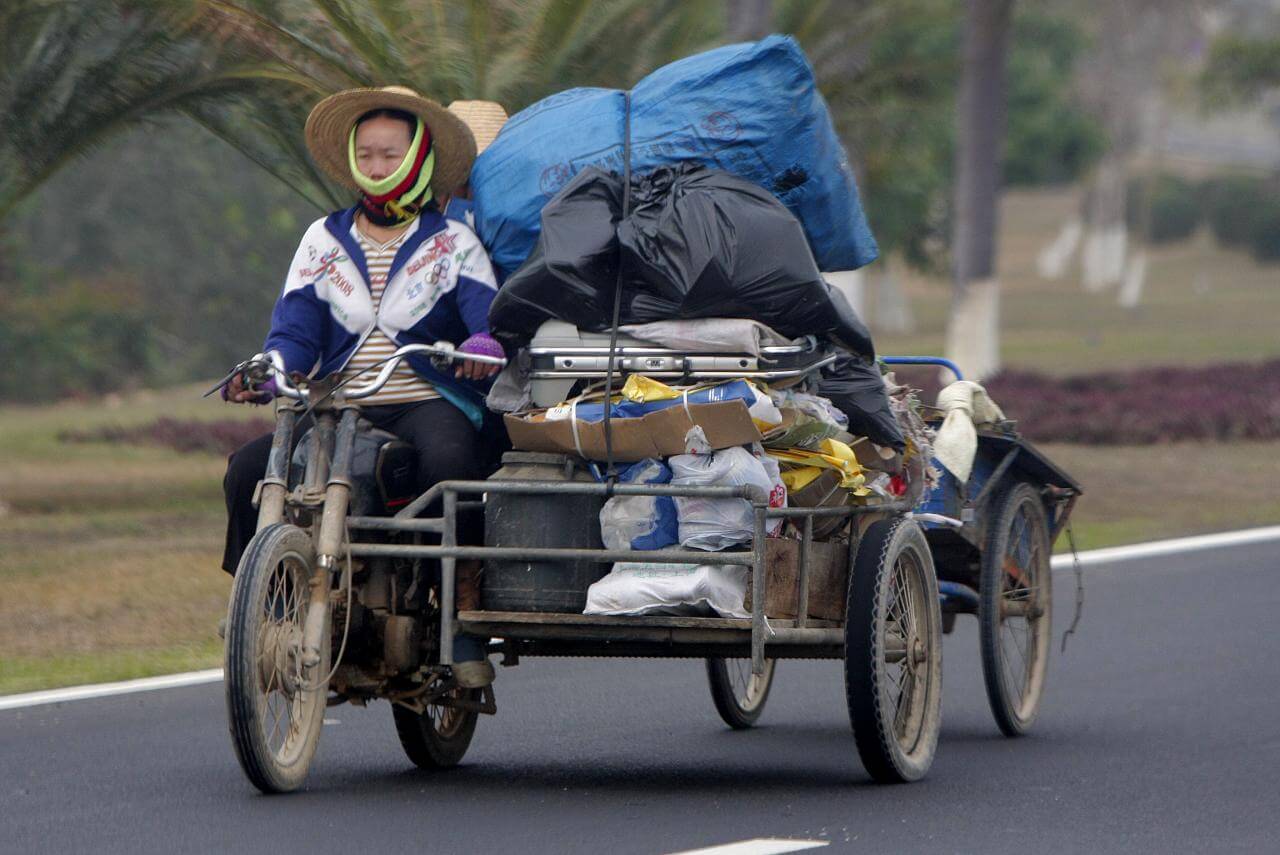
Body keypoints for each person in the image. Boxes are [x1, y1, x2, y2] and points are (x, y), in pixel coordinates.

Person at [220, 86, 504, 688]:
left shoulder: (453, 243)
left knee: (453, 464)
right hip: (334, 405)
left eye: (389, 155)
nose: (376, 169)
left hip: (423, 399)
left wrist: (484, 345)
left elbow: (489, 320)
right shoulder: (321, 240)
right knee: (245, 472)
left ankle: (456, 617)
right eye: (367, 155)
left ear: (418, 160)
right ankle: (265, 613)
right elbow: (294, 332)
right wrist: (271, 366)